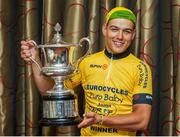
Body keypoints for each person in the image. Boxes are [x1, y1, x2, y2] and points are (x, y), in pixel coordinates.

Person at [20, 6, 152, 136]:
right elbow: (49, 90)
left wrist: (100, 120)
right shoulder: (87, 62)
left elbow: (142, 120)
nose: (120, 36)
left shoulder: (140, 68)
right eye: (114, 29)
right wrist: (34, 60)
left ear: (133, 35)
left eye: (127, 31)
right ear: (104, 29)